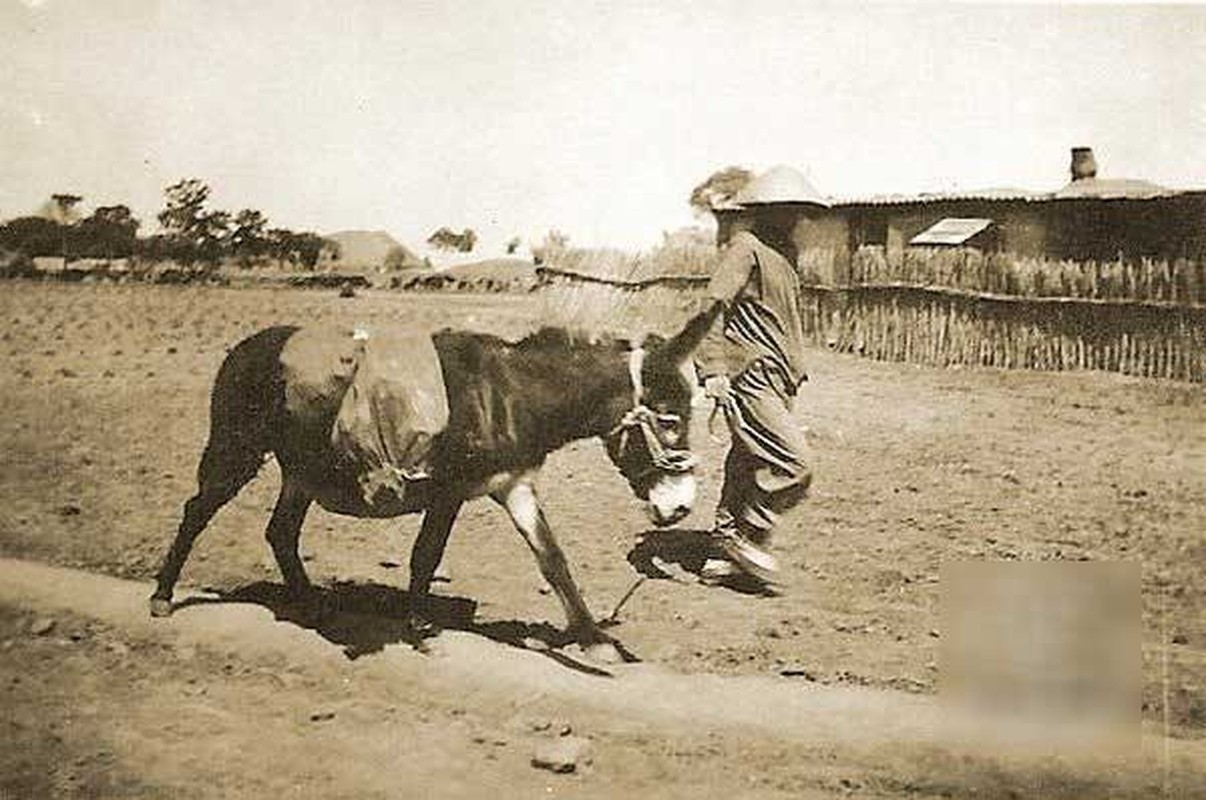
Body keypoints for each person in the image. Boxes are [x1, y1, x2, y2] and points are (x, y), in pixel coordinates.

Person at [695, 206, 814, 587]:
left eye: (797, 214)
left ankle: (720, 555)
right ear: (767, 212)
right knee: (796, 464)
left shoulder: (785, 253)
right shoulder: (746, 247)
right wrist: (713, 369)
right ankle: (746, 535)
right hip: (751, 373)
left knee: (748, 458)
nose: (795, 219)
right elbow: (713, 307)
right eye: (788, 212)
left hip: (780, 375)